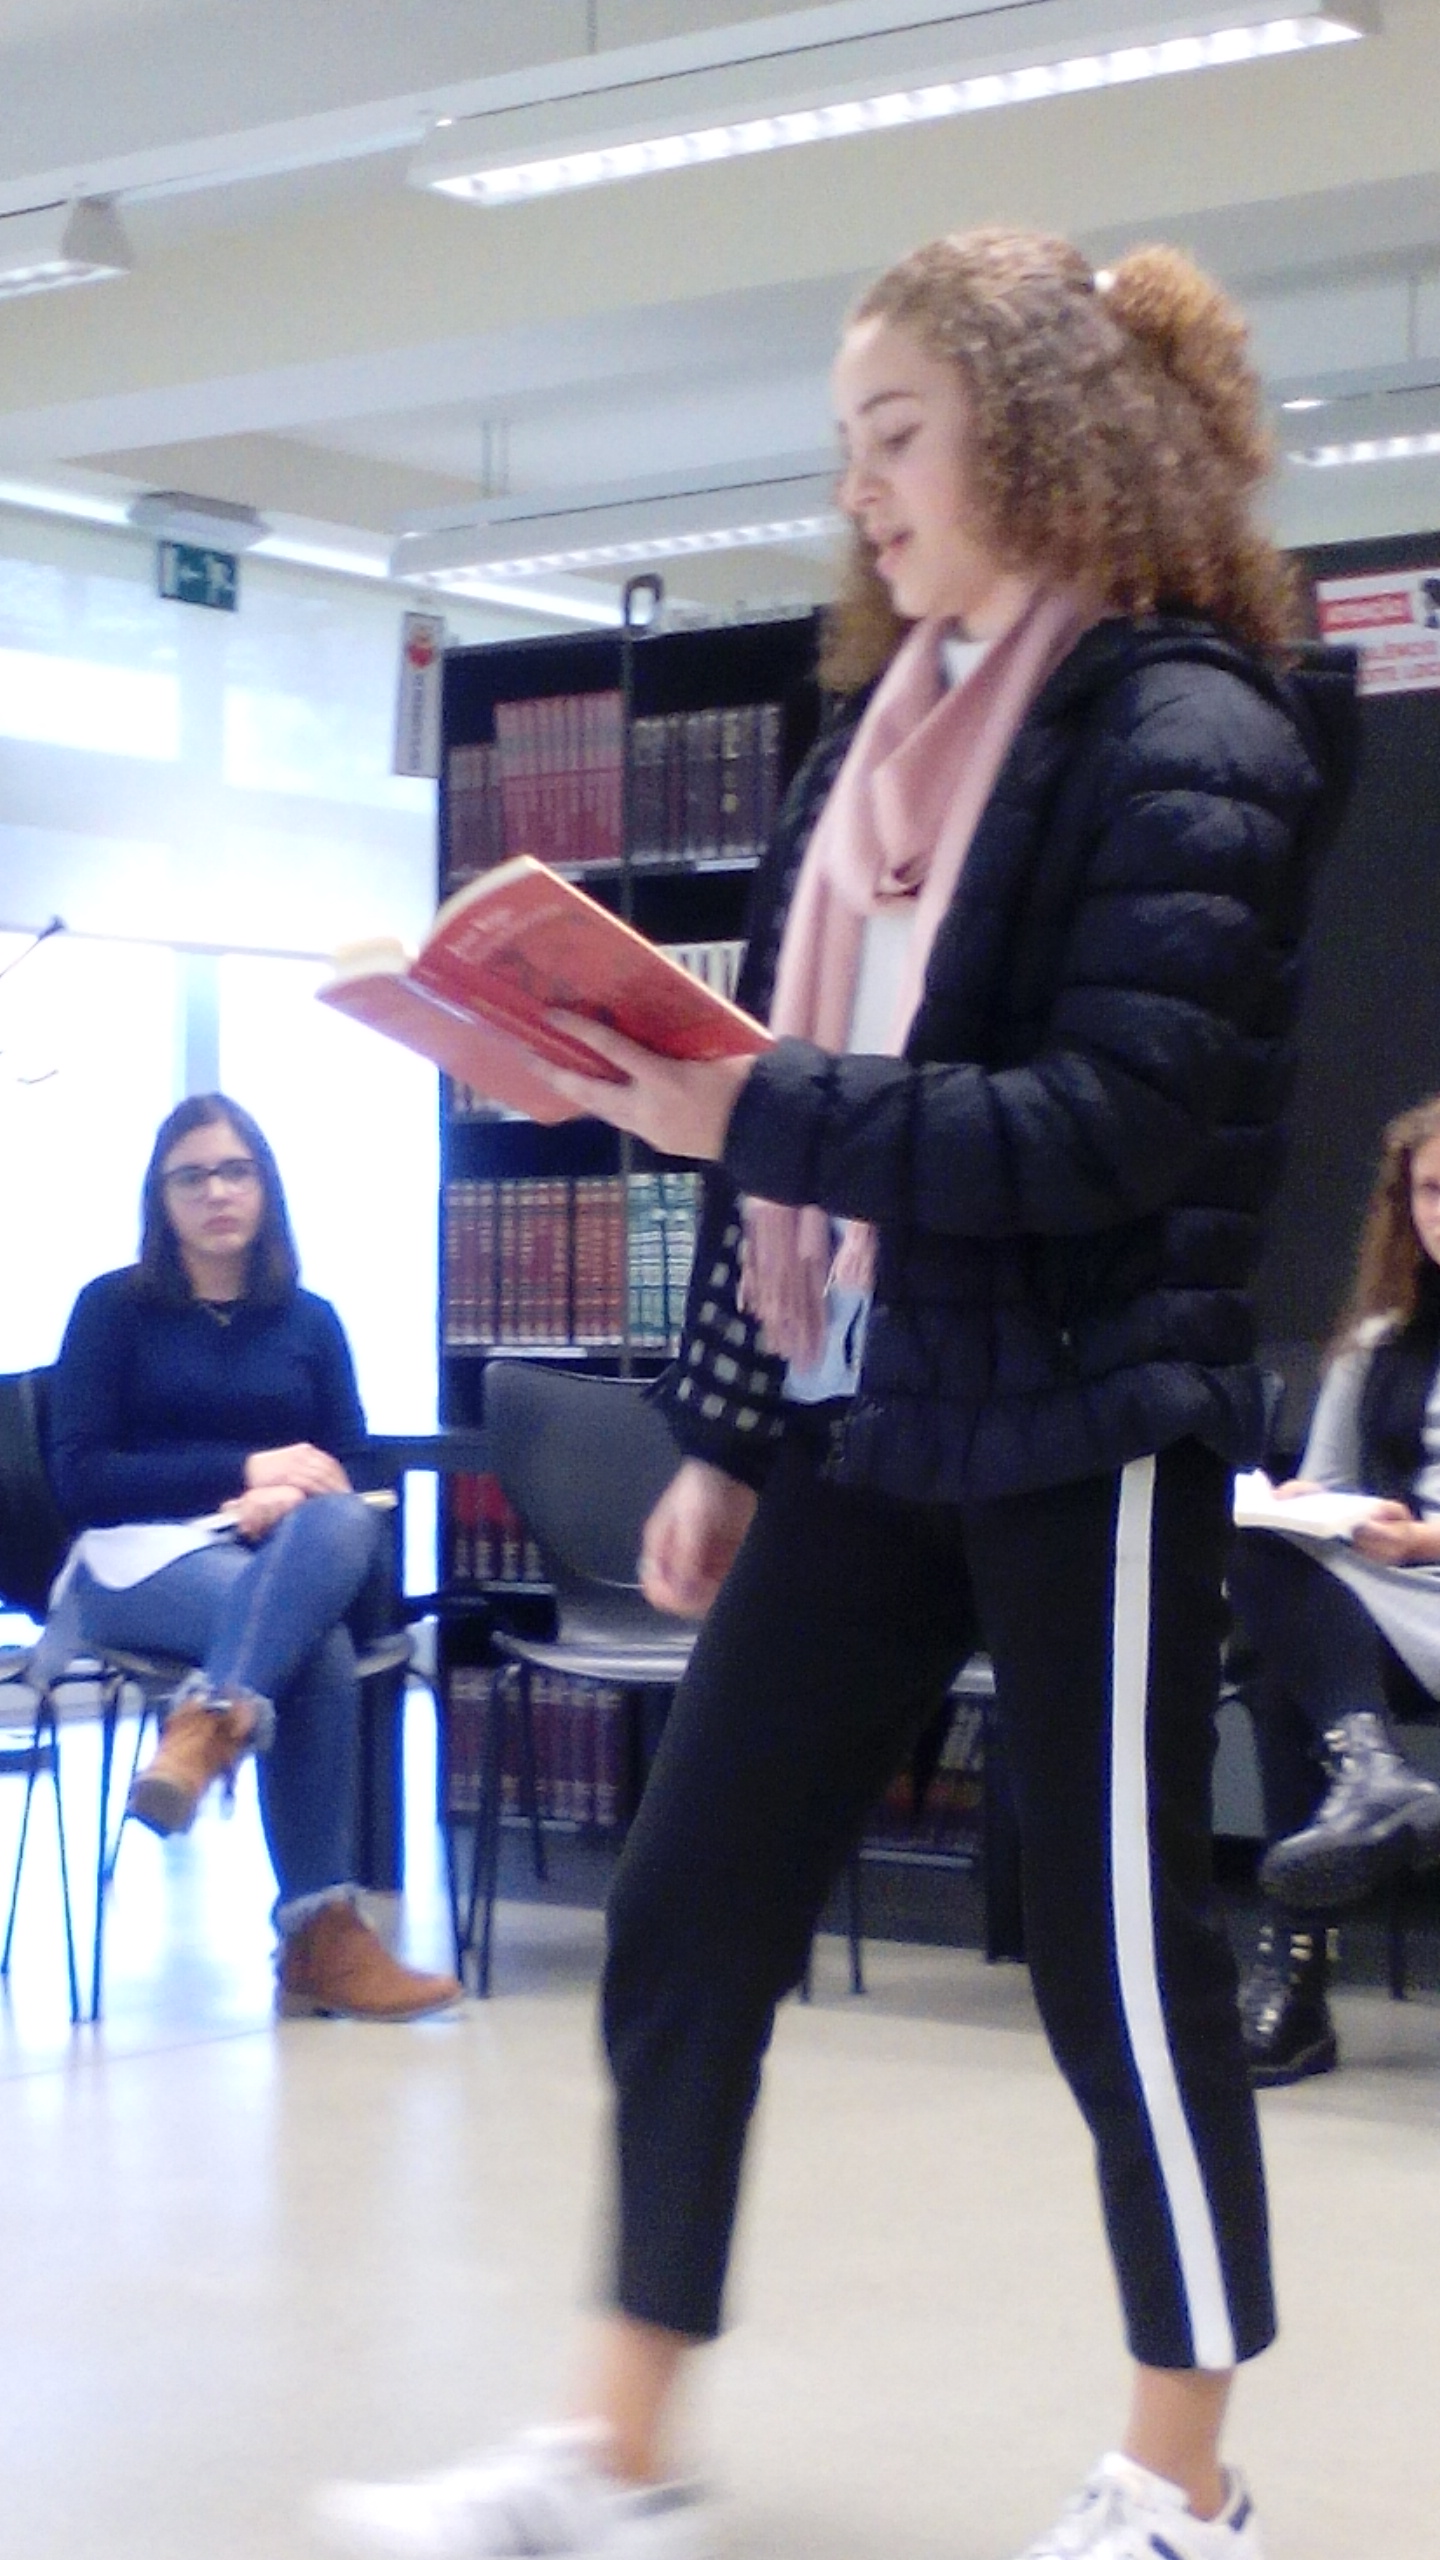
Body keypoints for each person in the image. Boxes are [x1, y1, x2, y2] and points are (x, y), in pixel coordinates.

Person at [316, 228, 1358, 2560]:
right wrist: (725, 1422)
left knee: (1116, 1954)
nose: (860, 489)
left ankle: (1183, 2479)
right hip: (870, 1414)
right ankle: (612, 2443)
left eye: (897, 436)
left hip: (1086, 1409)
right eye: (846, 446)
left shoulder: (1189, 726)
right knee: (689, 1900)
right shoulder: (870, 747)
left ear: (1037, 437)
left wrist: (747, 1109)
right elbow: (771, 1116)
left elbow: (1103, 1126)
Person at [45, 1092, 463, 2023]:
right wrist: (246, 1471)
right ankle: (321, 1938)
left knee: (341, 1523)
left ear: (265, 1185)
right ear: (161, 1199)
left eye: (235, 1171)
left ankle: (207, 1725)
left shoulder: (310, 1321)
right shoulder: (111, 1309)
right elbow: (80, 1480)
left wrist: (289, 1497)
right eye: (191, 1177)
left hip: (274, 1555)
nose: (216, 1192)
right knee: (314, 1645)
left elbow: (353, 1465)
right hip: (134, 1560)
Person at [1230, 1093, 1440, 2088]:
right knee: (1265, 1551)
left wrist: (1424, 1537)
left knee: (1285, 1681)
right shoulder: (1379, 1342)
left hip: (1420, 1576)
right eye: (1430, 1191)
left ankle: (1298, 1977)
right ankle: (1372, 1772)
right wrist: (1310, 1503)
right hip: (1402, 1607)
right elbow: (1331, 1486)